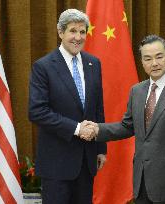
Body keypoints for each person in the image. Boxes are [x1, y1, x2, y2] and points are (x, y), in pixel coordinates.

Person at [81, 35, 165, 203]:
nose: (154, 63)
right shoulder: (137, 91)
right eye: (148, 58)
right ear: (142, 62)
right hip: (141, 179)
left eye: (159, 56)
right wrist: (97, 130)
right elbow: (127, 126)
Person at [28, 9, 107, 204]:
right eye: (72, 31)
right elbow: (37, 112)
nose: (78, 37)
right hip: (57, 163)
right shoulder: (43, 66)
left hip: (86, 161)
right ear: (60, 32)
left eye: (82, 32)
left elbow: (98, 107)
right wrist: (77, 128)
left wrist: (100, 147)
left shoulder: (93, 63)